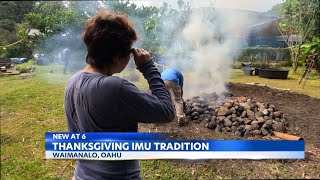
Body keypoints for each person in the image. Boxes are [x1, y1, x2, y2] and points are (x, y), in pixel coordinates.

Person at [64, 11, 175, 180]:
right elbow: (167, 112)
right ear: (117, 58)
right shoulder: (114, 87)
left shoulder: (72, 81)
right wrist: (149, 67)